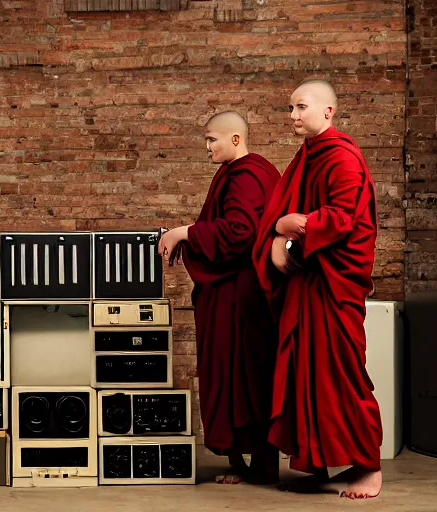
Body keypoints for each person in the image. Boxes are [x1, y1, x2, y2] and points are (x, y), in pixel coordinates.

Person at [252, 79, 383, 499]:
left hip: (333, 283)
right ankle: (318, 462)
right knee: (305, 375)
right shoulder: (307, 155)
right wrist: (278, 229)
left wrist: (291, 227)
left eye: (301, 107)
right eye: (290, 108)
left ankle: (369, 468)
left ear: (328, 112)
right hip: (308, 281)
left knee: (342, 375)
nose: (293, 116)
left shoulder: (342, 155)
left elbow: (343, 218)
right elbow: (284, 215)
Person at [159, 111, 281, 485]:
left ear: (235, 139)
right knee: (230, 375)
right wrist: (191, 235)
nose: (207, 147)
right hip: (232, 294)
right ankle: (242, 464)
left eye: (213, 139)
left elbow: (241, 232)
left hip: (243, 296)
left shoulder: (248, 175)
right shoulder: (236, 173)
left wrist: (186, 232)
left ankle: (260, 466)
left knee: (246, 375)